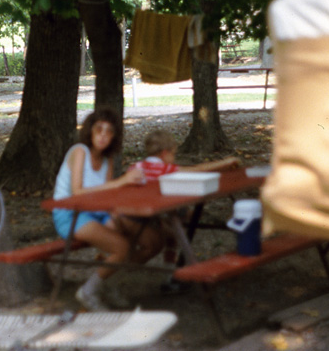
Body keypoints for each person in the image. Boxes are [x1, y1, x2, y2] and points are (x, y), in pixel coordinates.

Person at [52, 107, 164, 310]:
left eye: (109, 131)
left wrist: (123, 200)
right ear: (90, 131)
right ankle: (88, 291)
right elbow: (77, 191)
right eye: (99, 129)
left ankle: (106, 281)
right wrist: (121, 182)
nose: (103, 135)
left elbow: (105, 195)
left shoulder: (107, 159)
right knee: (122, 247)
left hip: (97, 211)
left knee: (153, 242)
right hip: (69, 214)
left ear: (114, 137)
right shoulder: (79, 152)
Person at [130, 129, 240, 293]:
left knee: (175, 230)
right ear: (165, 153)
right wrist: (226, 162)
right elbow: (198, 169)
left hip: (136, 214)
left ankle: (169, 275)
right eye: (173, 154)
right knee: (179, 226)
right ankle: (171, 276)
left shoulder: (135, 167)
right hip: (154, 217)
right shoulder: (164, 169)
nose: (173, 159)